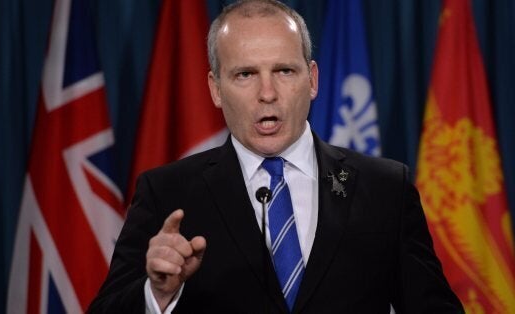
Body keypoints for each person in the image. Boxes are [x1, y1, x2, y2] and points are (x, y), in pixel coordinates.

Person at [89, 0, 463, 313]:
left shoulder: (384, 188)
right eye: (245, 74)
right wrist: (157, 294)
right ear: (216, 89)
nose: (267, 93)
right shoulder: (167, 193)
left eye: (284, 70)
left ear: (312, 80)